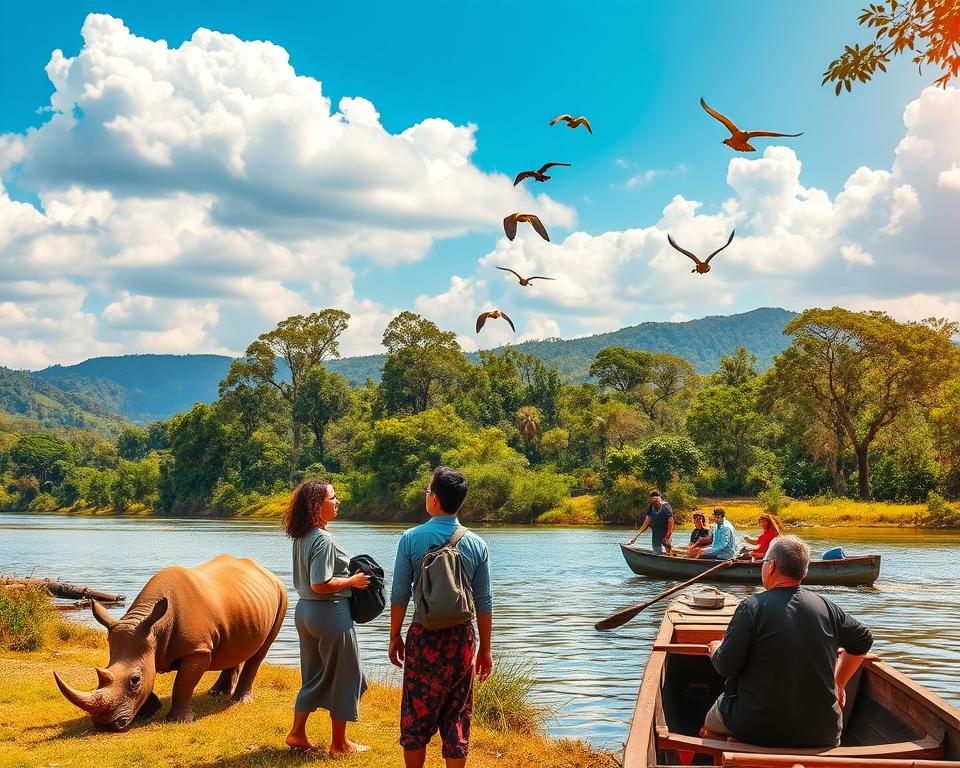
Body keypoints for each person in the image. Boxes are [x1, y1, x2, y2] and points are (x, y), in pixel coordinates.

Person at [701, 535, 874, 748]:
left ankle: (733, 748)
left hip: (754, 725)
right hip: (823, 731)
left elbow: (726, 667)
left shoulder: (751, 607)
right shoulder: (827, 608)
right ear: (805, 571)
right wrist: (839, 682)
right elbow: (863, 640)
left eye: (763, 562)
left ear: (771, 566)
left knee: (708, 728)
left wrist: (715, 649)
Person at [390, 466, 493, 768]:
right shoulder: (477, 544)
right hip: (461, 641)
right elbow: (484, 602)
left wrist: (395, 635)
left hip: (424, 638)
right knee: (457, 714)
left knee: (416, 714)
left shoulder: (411, 539)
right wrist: (484, 650)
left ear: (434, 499)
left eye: (427, 491)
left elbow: (399, 595)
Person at [284, 480, 371, 757]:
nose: (337, 502)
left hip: (305, 612)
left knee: (314, 675)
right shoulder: (323, 539)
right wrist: (353, 581)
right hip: (329, 611)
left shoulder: (303, 534)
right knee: (347, 675)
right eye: (333, 498)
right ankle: (340, 744)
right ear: (316, 506)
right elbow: (320, 583)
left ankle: (297, 733)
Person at [629, 490, 674, 554]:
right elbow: (646, 522)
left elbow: (671, 520)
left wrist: (668, 535)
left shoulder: (665, 506)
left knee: (668, 548)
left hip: (665, 532)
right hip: (656, 533)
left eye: (655, 499)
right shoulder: (652, 507)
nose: (653, 500)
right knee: (656, 551)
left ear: (659, 498)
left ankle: (670, 558)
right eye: (652, 499)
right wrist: (636, 536)